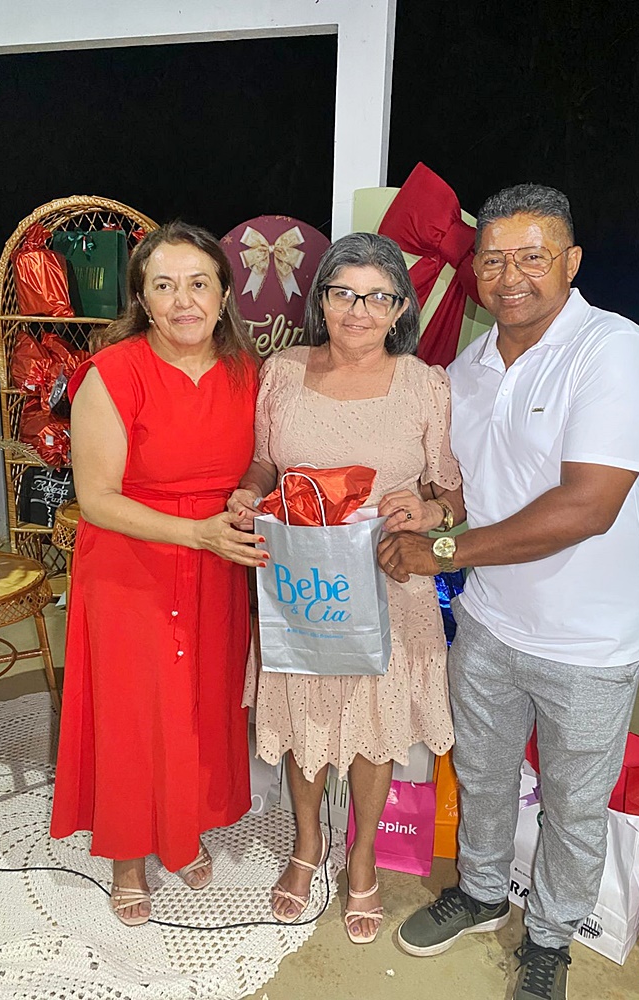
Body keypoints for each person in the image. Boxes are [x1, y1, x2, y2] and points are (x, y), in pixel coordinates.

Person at [381, 185, 639, 999]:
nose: (511, 276)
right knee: (483, 775)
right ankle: (479, 892)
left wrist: (442, 549)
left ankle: (549, 938)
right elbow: (472, 491)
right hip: (490, 624)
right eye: (494, 259)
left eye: (532, 257)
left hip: (590, 640)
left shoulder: (613, 351)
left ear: (570, 262)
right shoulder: (467, 371)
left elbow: (586, 506)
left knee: (575, 806)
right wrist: (433, 511)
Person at [228, 232, 464, 944]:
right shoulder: (281, 372)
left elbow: (450, 494)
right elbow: (265, 462)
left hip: (389, 587)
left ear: (400, 308)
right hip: (302, 586)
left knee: (373, 730)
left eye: (376, 297)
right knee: (305, 722)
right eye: (343, 293)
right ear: (321, 299)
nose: (358, 311)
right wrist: (248, 491)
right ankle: (307, 847)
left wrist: (428, 513)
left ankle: (360, 858)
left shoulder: (424, 384)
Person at [50, 221, 265, 926]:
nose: (183, 300)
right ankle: (128, 856)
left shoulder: (247, 371)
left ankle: (183, 824)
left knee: (200, 702)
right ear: (141, 298)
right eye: (164, 285)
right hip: (131, 564)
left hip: (215, 564)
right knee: (134, 711)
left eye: (199, 283)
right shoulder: (111, 374)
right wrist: (195, 532)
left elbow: (258, 463)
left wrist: (246, 497)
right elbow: (97, 499)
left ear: (224, 293)